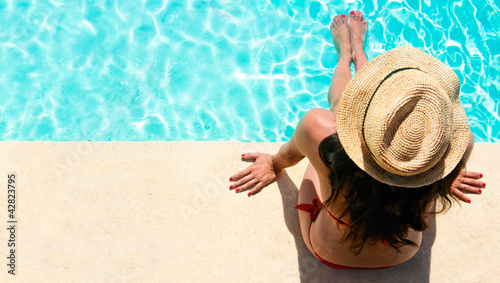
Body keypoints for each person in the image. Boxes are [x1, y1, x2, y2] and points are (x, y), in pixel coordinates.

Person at [229, 11, 485, 269]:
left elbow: (287, 157)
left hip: (329, 251)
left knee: (340, 108)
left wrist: (272, 164)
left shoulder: (316, 127)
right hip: (403, 252)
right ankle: (359, 51)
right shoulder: (460, 146)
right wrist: (438, 175)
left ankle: (346, 55)